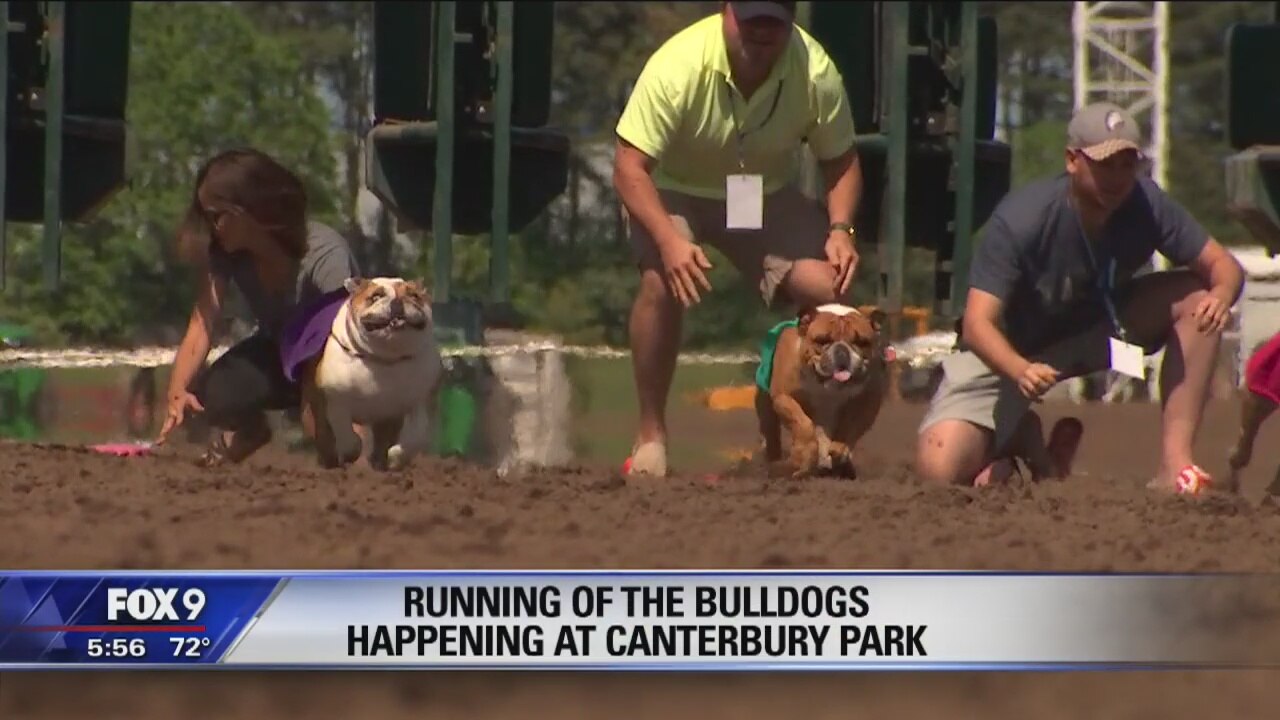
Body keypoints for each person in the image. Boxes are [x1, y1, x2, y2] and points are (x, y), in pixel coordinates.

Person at [915, 102, 1245, 492]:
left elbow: (1224, 265)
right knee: (939, 467)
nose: (1118, 177)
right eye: (1105, 163)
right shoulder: (1022, 219)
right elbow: (976, 325)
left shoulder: (1147, 202)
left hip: (1099, 328)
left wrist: (1223, 293)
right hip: (1008, 354)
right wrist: (1020, 369)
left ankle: (1176, 467)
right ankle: (1024, 440)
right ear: (1073, 160)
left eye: (1128, 164)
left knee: (1200, 298)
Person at [613, 0, 864, 477]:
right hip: (673, 191)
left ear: (791, 19)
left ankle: (815, 431)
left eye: (773, 20)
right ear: (727, 13)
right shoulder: (678, 65)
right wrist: (668, 241)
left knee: (834, 289)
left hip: (760, 192)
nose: (761, 32)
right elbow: (628, 168)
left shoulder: (816, 71)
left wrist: (840, 230)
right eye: (750, 20)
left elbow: (843, 160)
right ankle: (651, 437)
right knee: (660, 283)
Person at [155, 148, 361, 465]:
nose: (210, 227)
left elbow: (346, 338)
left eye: (216, 216)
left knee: (325, 433)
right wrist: (177, 391)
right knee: (217, 392)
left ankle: (361, 449)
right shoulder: (226, 253)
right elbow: (202, 325)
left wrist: (315, 401)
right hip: (278, 352)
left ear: (251, 210)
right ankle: (251, 433)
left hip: (336, 356)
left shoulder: (324, 253)